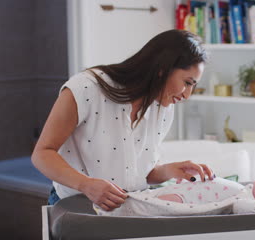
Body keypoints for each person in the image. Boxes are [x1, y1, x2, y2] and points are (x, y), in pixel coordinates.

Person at [31, 29, 215, 211]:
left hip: (128, 209)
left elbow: (137, 174)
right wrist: (86, 185)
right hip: (75, 207)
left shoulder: (163, 108)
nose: (187, 95)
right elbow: (42, 154)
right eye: (187, 83)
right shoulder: (86, 88)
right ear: (162, 70)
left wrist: (168, 170)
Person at [94, 175, 255, 217]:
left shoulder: (246, 201)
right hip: (188, 189)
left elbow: (239, 209)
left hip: (187, 200)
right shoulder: (244, 188)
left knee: (153, 204)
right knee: (152, 194)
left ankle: (123, 208)